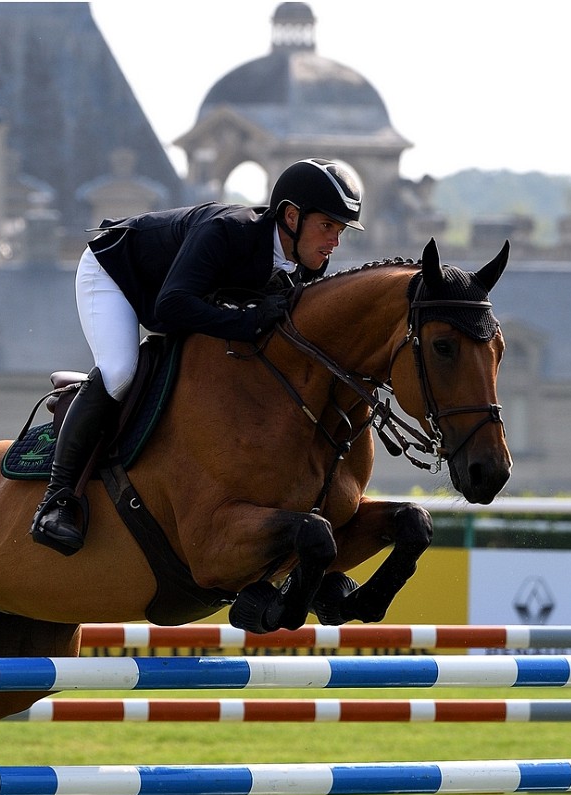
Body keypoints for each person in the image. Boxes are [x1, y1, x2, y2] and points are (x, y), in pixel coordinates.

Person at [29, 157, 366, 555]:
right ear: (292, 216)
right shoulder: (228, 231)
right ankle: (57, 500)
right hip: (116, 274)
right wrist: (248, 322)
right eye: (327, 226)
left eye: (339, 230)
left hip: (176, 293)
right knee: (119, 372)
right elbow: (171, 306)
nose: (334, 241)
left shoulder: (306, 264)